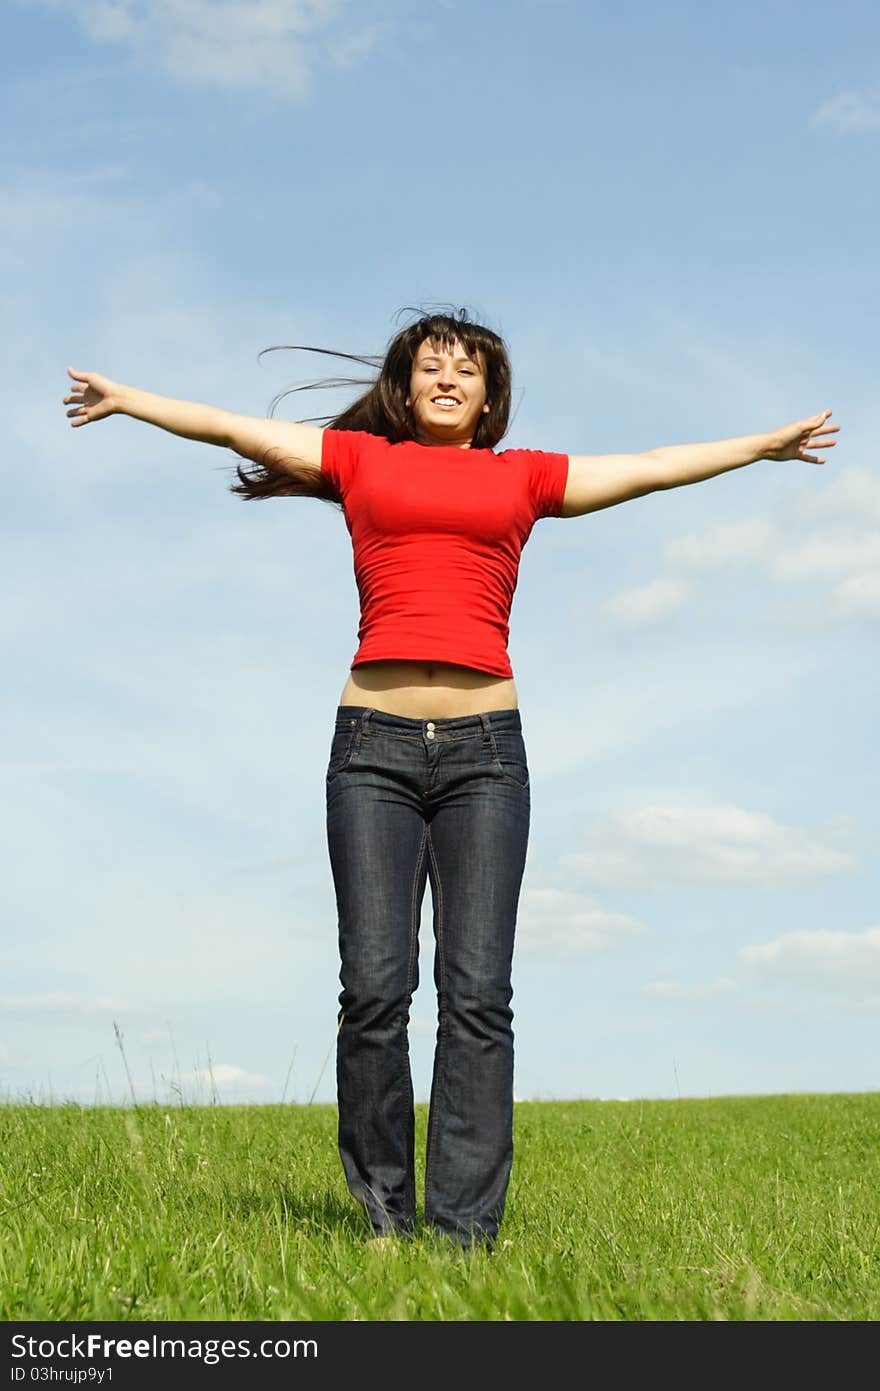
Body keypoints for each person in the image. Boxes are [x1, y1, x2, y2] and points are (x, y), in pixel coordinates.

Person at [63, 310, 839, 1250]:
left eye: (465, 369)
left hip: (485, 757)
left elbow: (649, 465)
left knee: (477, 993)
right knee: (373, 989)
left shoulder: (526, 477)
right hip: (372, 753)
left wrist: (762, 445)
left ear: (489, 394)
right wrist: (129, 399)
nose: (447, 378)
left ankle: (465, 1232)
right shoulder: (356, 460)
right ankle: (384, 1217)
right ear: (404, 383)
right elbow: (231, 426)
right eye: (431, 365)